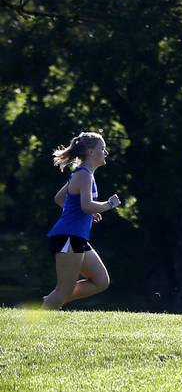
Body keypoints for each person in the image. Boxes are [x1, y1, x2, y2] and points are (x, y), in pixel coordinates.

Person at [44, 132, 121, 309]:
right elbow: (87, 206)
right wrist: (109, 204)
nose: (106, 152)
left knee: (101, 281)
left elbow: (60, 198)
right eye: (102, 148)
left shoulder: (84, 175)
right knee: (64, 289)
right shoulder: (84, 175)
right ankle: (50, 305)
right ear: (91, 152)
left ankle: (52, 301)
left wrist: (86, 211)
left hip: (75, 237)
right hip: (68, 237)